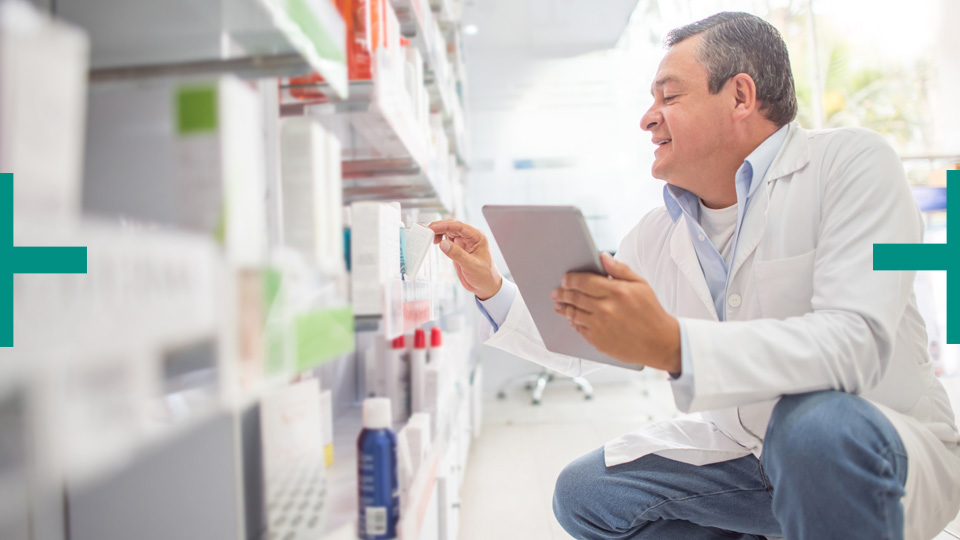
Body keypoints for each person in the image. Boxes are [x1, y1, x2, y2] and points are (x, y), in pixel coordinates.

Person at [429, 11, 960, 540]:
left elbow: (856, 344)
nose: (648, 117)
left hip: (868, 442)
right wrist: (493, 288)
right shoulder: (659, 232)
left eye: (669, 96)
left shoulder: (851, 164)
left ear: (740, 96)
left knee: (812, 429)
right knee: (587, 494)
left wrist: (676, 345)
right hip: (749, 455)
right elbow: (582, 345)